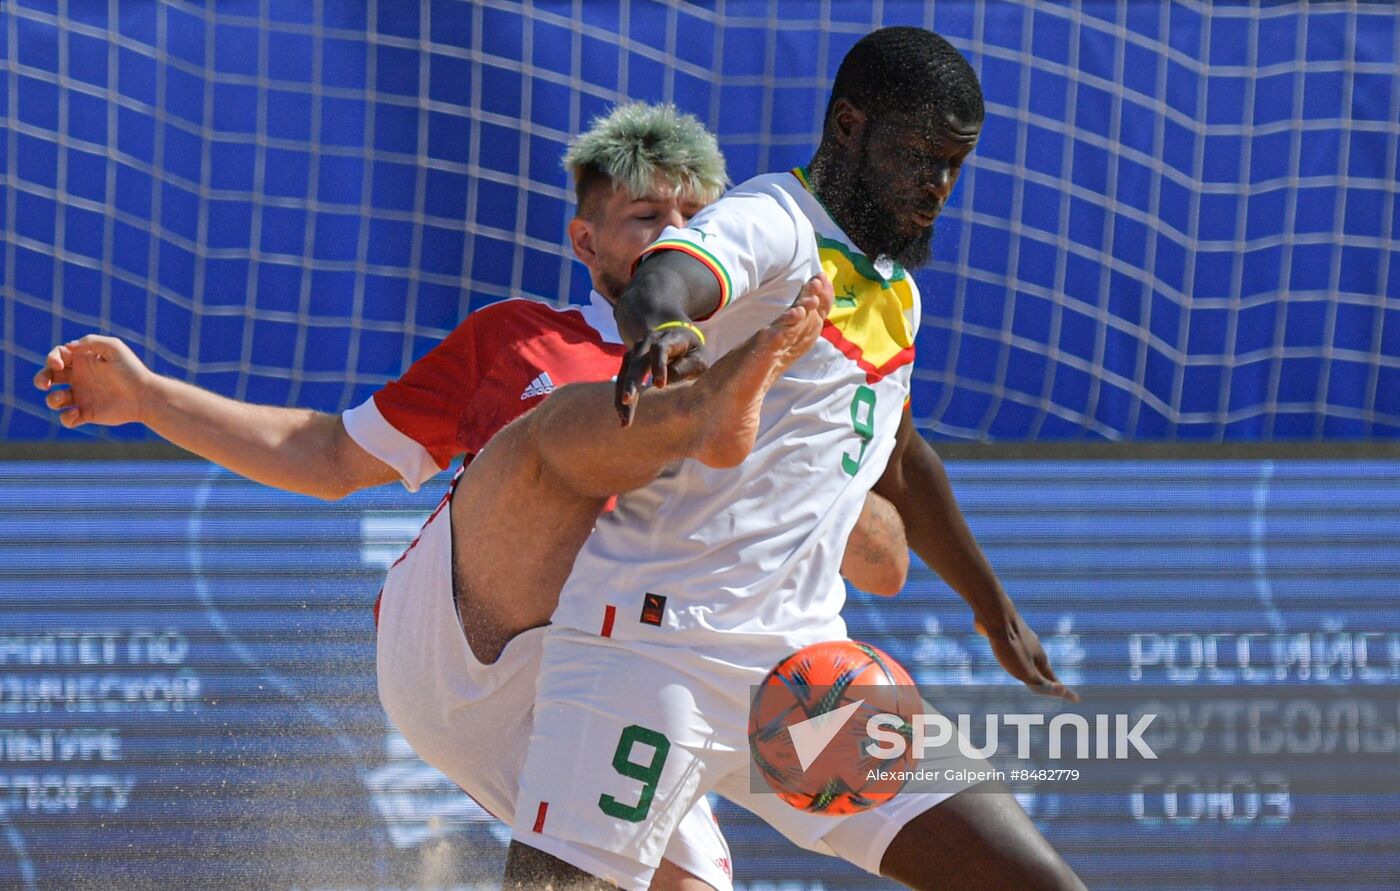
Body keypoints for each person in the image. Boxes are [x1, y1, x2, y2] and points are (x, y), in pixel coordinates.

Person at [33, 102, 910, 890]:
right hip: (460, 639)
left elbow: (884, 566)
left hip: (612, 677)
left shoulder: (781, 381)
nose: (677, 234)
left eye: (695, 217)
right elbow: (328, 455)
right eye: (647, 217)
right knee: (561, 442)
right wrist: (148, 398)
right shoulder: (522, 339)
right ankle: (667, 426)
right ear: (586, 243)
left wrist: (818, 482)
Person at [503, 28, 1086, 891]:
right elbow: (665, 277)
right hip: (652, 652)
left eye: (953, 165)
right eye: (919, 156)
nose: (937, 185)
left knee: (1035, 883)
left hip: (804, 670)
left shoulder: (897, 293)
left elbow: (902, 461)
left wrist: (992, 608)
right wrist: (666, 326)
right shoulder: (773, 220)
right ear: (849, 126)